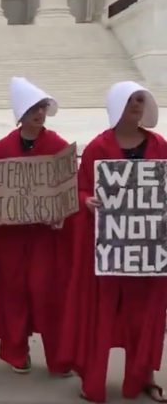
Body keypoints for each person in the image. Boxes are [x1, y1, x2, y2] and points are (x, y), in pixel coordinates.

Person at [60, 81, 167, 403]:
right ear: (119, 104)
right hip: (106, 249)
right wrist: (86, 202)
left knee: (146, 315)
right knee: (101, 314)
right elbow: (80, 190)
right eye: (133, 100)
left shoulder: (160, 145)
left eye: (141, 100)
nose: (138, 105)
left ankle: (144, 375)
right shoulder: (97, 147)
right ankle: (93, 377)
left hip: (148, 249)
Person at [0, 77, 73, 375]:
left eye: (43, 108)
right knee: (12, 293)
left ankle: (60, 358)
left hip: (46, 238)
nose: (39, 113)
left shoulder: (59, 146)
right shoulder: (1, 148)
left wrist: (60, 213)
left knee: (50, 294)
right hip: (10, 238)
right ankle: (16, 352)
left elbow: (68, 191)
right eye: (34, 108)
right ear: (21, 112)